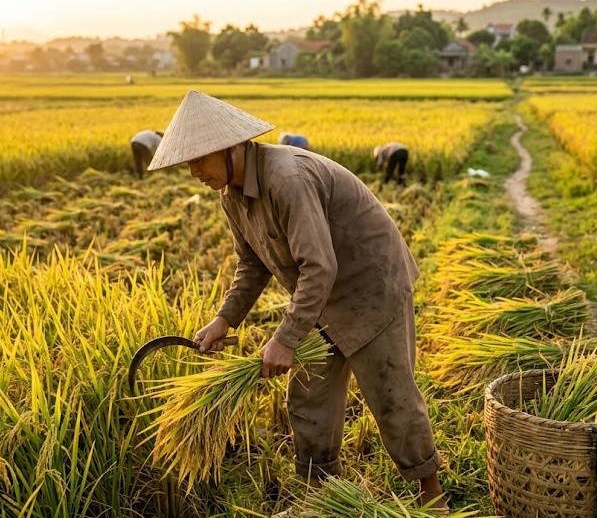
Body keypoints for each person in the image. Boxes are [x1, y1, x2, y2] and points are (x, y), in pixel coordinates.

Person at [146, 91, 448, 509]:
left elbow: (319, 266)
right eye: (188, 164)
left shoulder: (287, 179)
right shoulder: (232, 195)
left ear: (232, 147)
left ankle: (432, 496)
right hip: (320, 301)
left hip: (370, 289)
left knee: (391, 395)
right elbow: (252, 264)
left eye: (199, 160)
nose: (195, 172)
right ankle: (323, 495)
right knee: (308, 400)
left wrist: (285, 339)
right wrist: (224, 320)